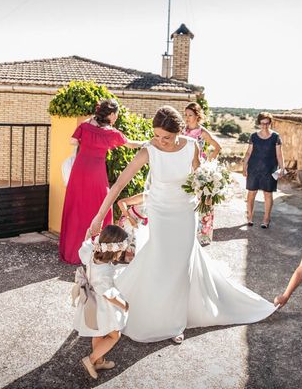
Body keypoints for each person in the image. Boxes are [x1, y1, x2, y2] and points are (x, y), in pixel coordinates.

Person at [89, 106, 276, 343]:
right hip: (160, 212)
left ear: (178, 132)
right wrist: (98, 217)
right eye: (156, 135)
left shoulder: (191, 145)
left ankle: (175, 323)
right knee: (161, 259)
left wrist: (208, 190)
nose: (160, 141)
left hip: (185, 213)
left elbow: (199, 177)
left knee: (181, 265)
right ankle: (146, 306)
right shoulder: (149, 150)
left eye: (165, 137)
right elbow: (117, 187)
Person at [59, 99, 142, 264]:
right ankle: (100, 252)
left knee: (76, 207)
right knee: (100, 206)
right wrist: (148, 143)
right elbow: (131, 145)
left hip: (79, 172)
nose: (116, 117)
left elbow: (73, 142)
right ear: (111, 114)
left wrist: (88, 125)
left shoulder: (85, 126)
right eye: (116, 114)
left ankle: (72, 252)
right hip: (96, 174)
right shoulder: (111, 133)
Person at [74, 225, 130, 380]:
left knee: (97, 331)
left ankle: (99, 361)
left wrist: (88, 232)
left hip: (91, 301)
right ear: (114, 250)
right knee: (114, 335)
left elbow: (85, 244)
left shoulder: (92, 253)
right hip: (102, 305)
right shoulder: (104, 271)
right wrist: (124, 305)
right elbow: (108, 294)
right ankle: (91, 360)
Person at [183, 102, 222, 245]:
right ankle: (186, 232)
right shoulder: (182, 130)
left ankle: (202, 236)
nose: (187, 118)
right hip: (183, 169)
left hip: (198, 170)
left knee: (202, 201)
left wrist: (208, 163)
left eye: (190, 115)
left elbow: (218, 147)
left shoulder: (202, 132)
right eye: (185, 115)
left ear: (197, 116)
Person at [242, 112, 285, 228]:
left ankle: (266, 219)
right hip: (254, 168)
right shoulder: (254, 136)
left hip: (270, 169)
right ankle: (250, 217)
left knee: (267, 194)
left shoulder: (276, 137)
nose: (265, 126)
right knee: (251, 193)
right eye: (262, 123)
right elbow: (248, 152)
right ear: (259, 123)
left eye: (267, 123)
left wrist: (282, 168)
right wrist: (244, 166)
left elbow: (279, 155)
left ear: (270, 123)